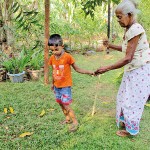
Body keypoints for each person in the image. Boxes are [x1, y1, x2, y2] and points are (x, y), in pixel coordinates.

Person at [95, 0, 150, 137]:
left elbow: (128, 57)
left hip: (140, 70)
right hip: (133, 70)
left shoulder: (136, 29)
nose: (118, 20)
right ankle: (126, 121)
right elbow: (127, 49)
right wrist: (111, 45)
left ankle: (130, 130)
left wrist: (106, 68)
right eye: (117, 17)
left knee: (133, 100)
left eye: (120, 17)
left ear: (130, 15)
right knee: (125, 96)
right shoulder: (130, 29)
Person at [48, 34, 94, 132]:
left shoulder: (68, 57)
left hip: (65, 87)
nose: (54, 52)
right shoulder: (52, 58)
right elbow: (53, 72)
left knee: (66, 105)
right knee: (60, 104)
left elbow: (77, 69)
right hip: (57, 87)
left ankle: (75, 122)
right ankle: (67, 119)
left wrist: (89, 72)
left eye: (56, 50)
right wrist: (52, 84)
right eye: (52, 50)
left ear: (62, 46)